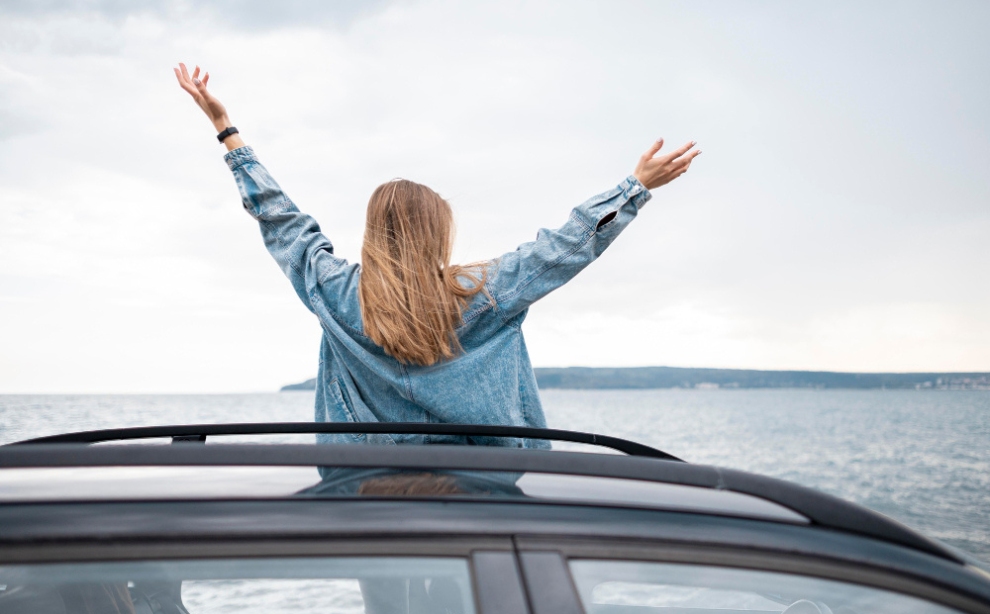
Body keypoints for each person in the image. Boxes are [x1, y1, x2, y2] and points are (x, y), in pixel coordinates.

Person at [174, 63, 701, 450]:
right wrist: (634, 187)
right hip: (482, 494)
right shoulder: (484, 292)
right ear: (438, 233)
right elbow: (563, 247)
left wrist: (227, 131)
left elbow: (282, 221)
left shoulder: (332, 291)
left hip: (367, 497)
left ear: (372, 233)